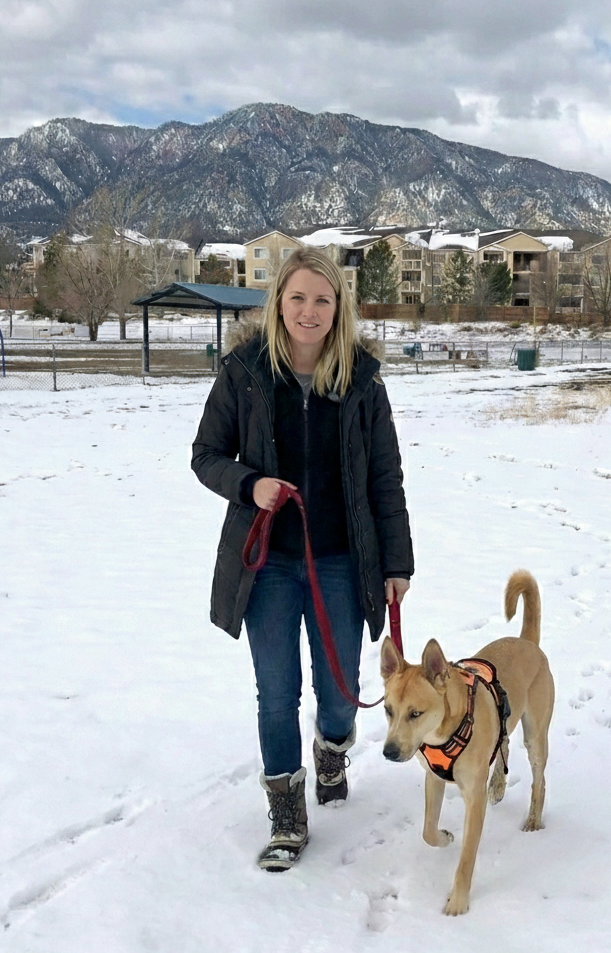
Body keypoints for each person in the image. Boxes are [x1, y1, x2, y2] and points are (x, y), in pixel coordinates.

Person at [191, 247, 413, 871]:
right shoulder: (245, 372)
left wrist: (396, 565)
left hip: (344, 560)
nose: (309, 311)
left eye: (322, 299)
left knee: (341, 693)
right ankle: (287, 812)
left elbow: (385, 479)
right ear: (277, 302)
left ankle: (332, 746)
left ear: (337, 307)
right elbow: (206, 453)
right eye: (297, 298)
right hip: (266, 562)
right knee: (275, 690)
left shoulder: (362, 380)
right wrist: (250, 483)